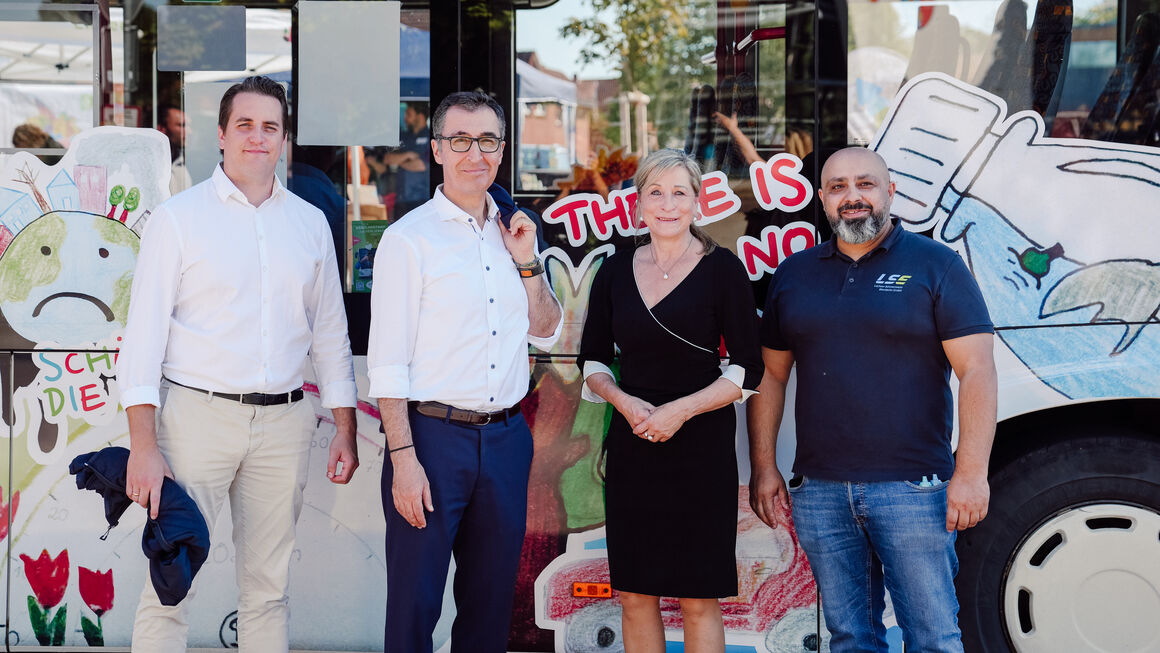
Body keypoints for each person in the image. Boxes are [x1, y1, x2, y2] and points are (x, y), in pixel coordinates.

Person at [117, 75, 359, 652]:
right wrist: (143, 447)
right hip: (196, 422)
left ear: (283, 140)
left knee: (268, 590)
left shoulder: (310, 223)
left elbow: (329, 334)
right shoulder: (178, 219)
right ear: (221, 135)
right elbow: (143, 341)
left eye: (270, 127)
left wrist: (346, 426)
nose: (258, 137)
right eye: (244, 125)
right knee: (170, 584)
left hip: (283, 424)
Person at [747, 146, 997, 652]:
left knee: (932, 638)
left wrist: (971, 472)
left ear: (890, 191)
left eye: (865, 184)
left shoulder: (936, 265)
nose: (852, 197)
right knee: (850, 638)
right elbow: (770, 378)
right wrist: (764, 466)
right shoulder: (794, 275)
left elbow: (977, 371)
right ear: (821, 199)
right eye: (838, 187)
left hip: (915, 490)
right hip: (819, 491)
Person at [367, 90, 563, 653]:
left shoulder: (517, 233)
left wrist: (526, 262)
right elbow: (387, 363)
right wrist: (404, 460)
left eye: (487, 141)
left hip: (505, 438)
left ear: (501, 151)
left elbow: (546, 328)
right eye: (460, 140)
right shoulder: (409, 239)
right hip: (430, 440)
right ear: (436, 150)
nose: (474, 153)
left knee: (489, 605)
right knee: (414, 605)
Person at [577, 148, 763, 652]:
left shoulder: (724, 269)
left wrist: (680, 411)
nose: (667, 204)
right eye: (655, 192)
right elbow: (591, 360)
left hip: (701, 449)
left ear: (698, 204)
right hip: (634, 444)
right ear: (637, 205)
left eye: (679, 192)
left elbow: (749, 369)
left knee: (699, 597)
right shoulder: (614, 271)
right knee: (636, 594)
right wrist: (624, 402)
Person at [367, 102, 430, 218]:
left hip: (422, 199)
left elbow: (421, 165)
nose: (405, 118)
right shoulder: (403, 137)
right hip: (400, 198)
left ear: (420, 116)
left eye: (409, 114)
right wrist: (408, 155)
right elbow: (388, 159)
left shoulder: (430, 137)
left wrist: (399, 160)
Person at [156, 103, 192, 194]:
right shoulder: (151, 164)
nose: (189, 131)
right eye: (181, 125)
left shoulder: (187, 163)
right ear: (162, 129)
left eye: (188, 125)